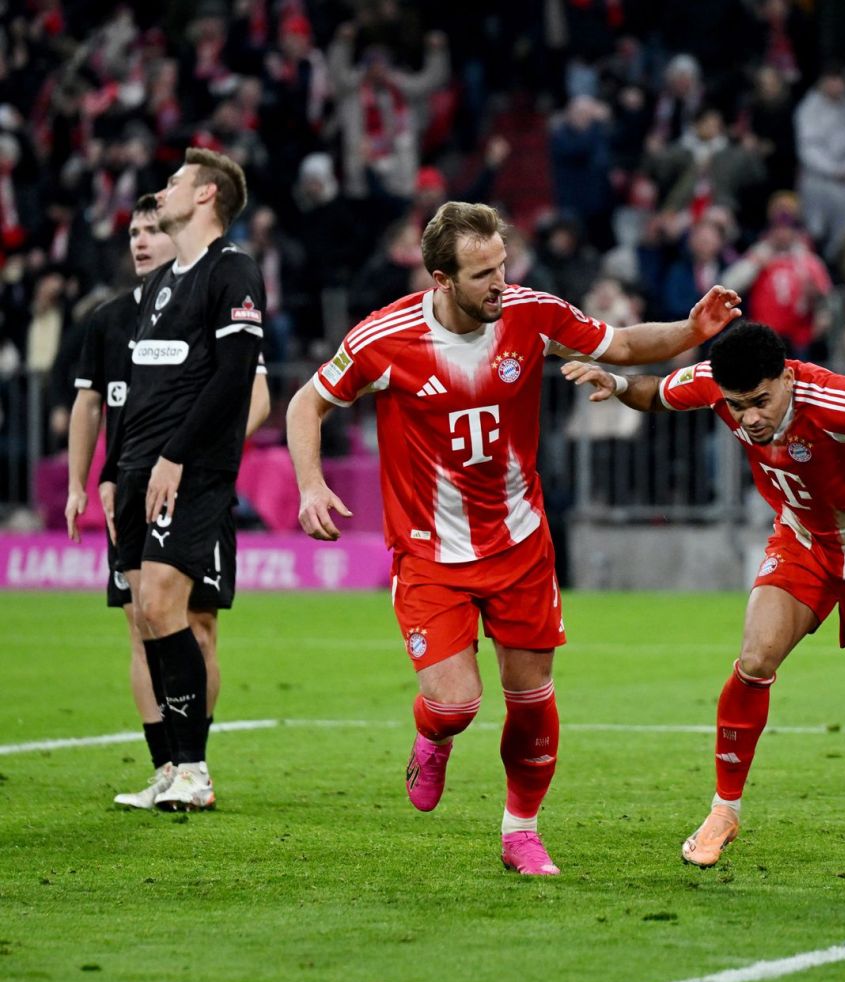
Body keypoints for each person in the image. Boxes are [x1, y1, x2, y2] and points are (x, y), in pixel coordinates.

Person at [284, 201, 741, 876]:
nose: (502, 283)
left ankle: (520, 831)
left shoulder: (531, 312)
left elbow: (619, 344)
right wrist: (311, 484)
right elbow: (307, 403)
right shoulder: (384, 338)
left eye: (504, 265)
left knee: (531, 701)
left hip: (520, 546)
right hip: (430, 552)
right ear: (441, 277)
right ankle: (432, 735)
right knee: (456, 703)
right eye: (483, 274)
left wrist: (690, 330)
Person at [561, 320, 845, 866]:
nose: (748, 418)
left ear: (786, 379)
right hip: (800, 541)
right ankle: (724, 810)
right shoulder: (716, 385)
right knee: (755, 659)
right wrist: (616, 383)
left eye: (759, 401)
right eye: (735, 405)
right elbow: (655, 393)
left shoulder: (837, 400)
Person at [64, 192, 269, 810]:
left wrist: (202, 452)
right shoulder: (114, 318)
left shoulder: (211, 287)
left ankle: (192, 763)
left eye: (153, 229)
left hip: (190, 481)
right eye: (133, 231)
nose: (142, 240)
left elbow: (248, 387)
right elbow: (96, 405)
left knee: (195, 621)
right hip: (132, 482)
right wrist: (94, 476)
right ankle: (170, 764)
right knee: (143, 619)